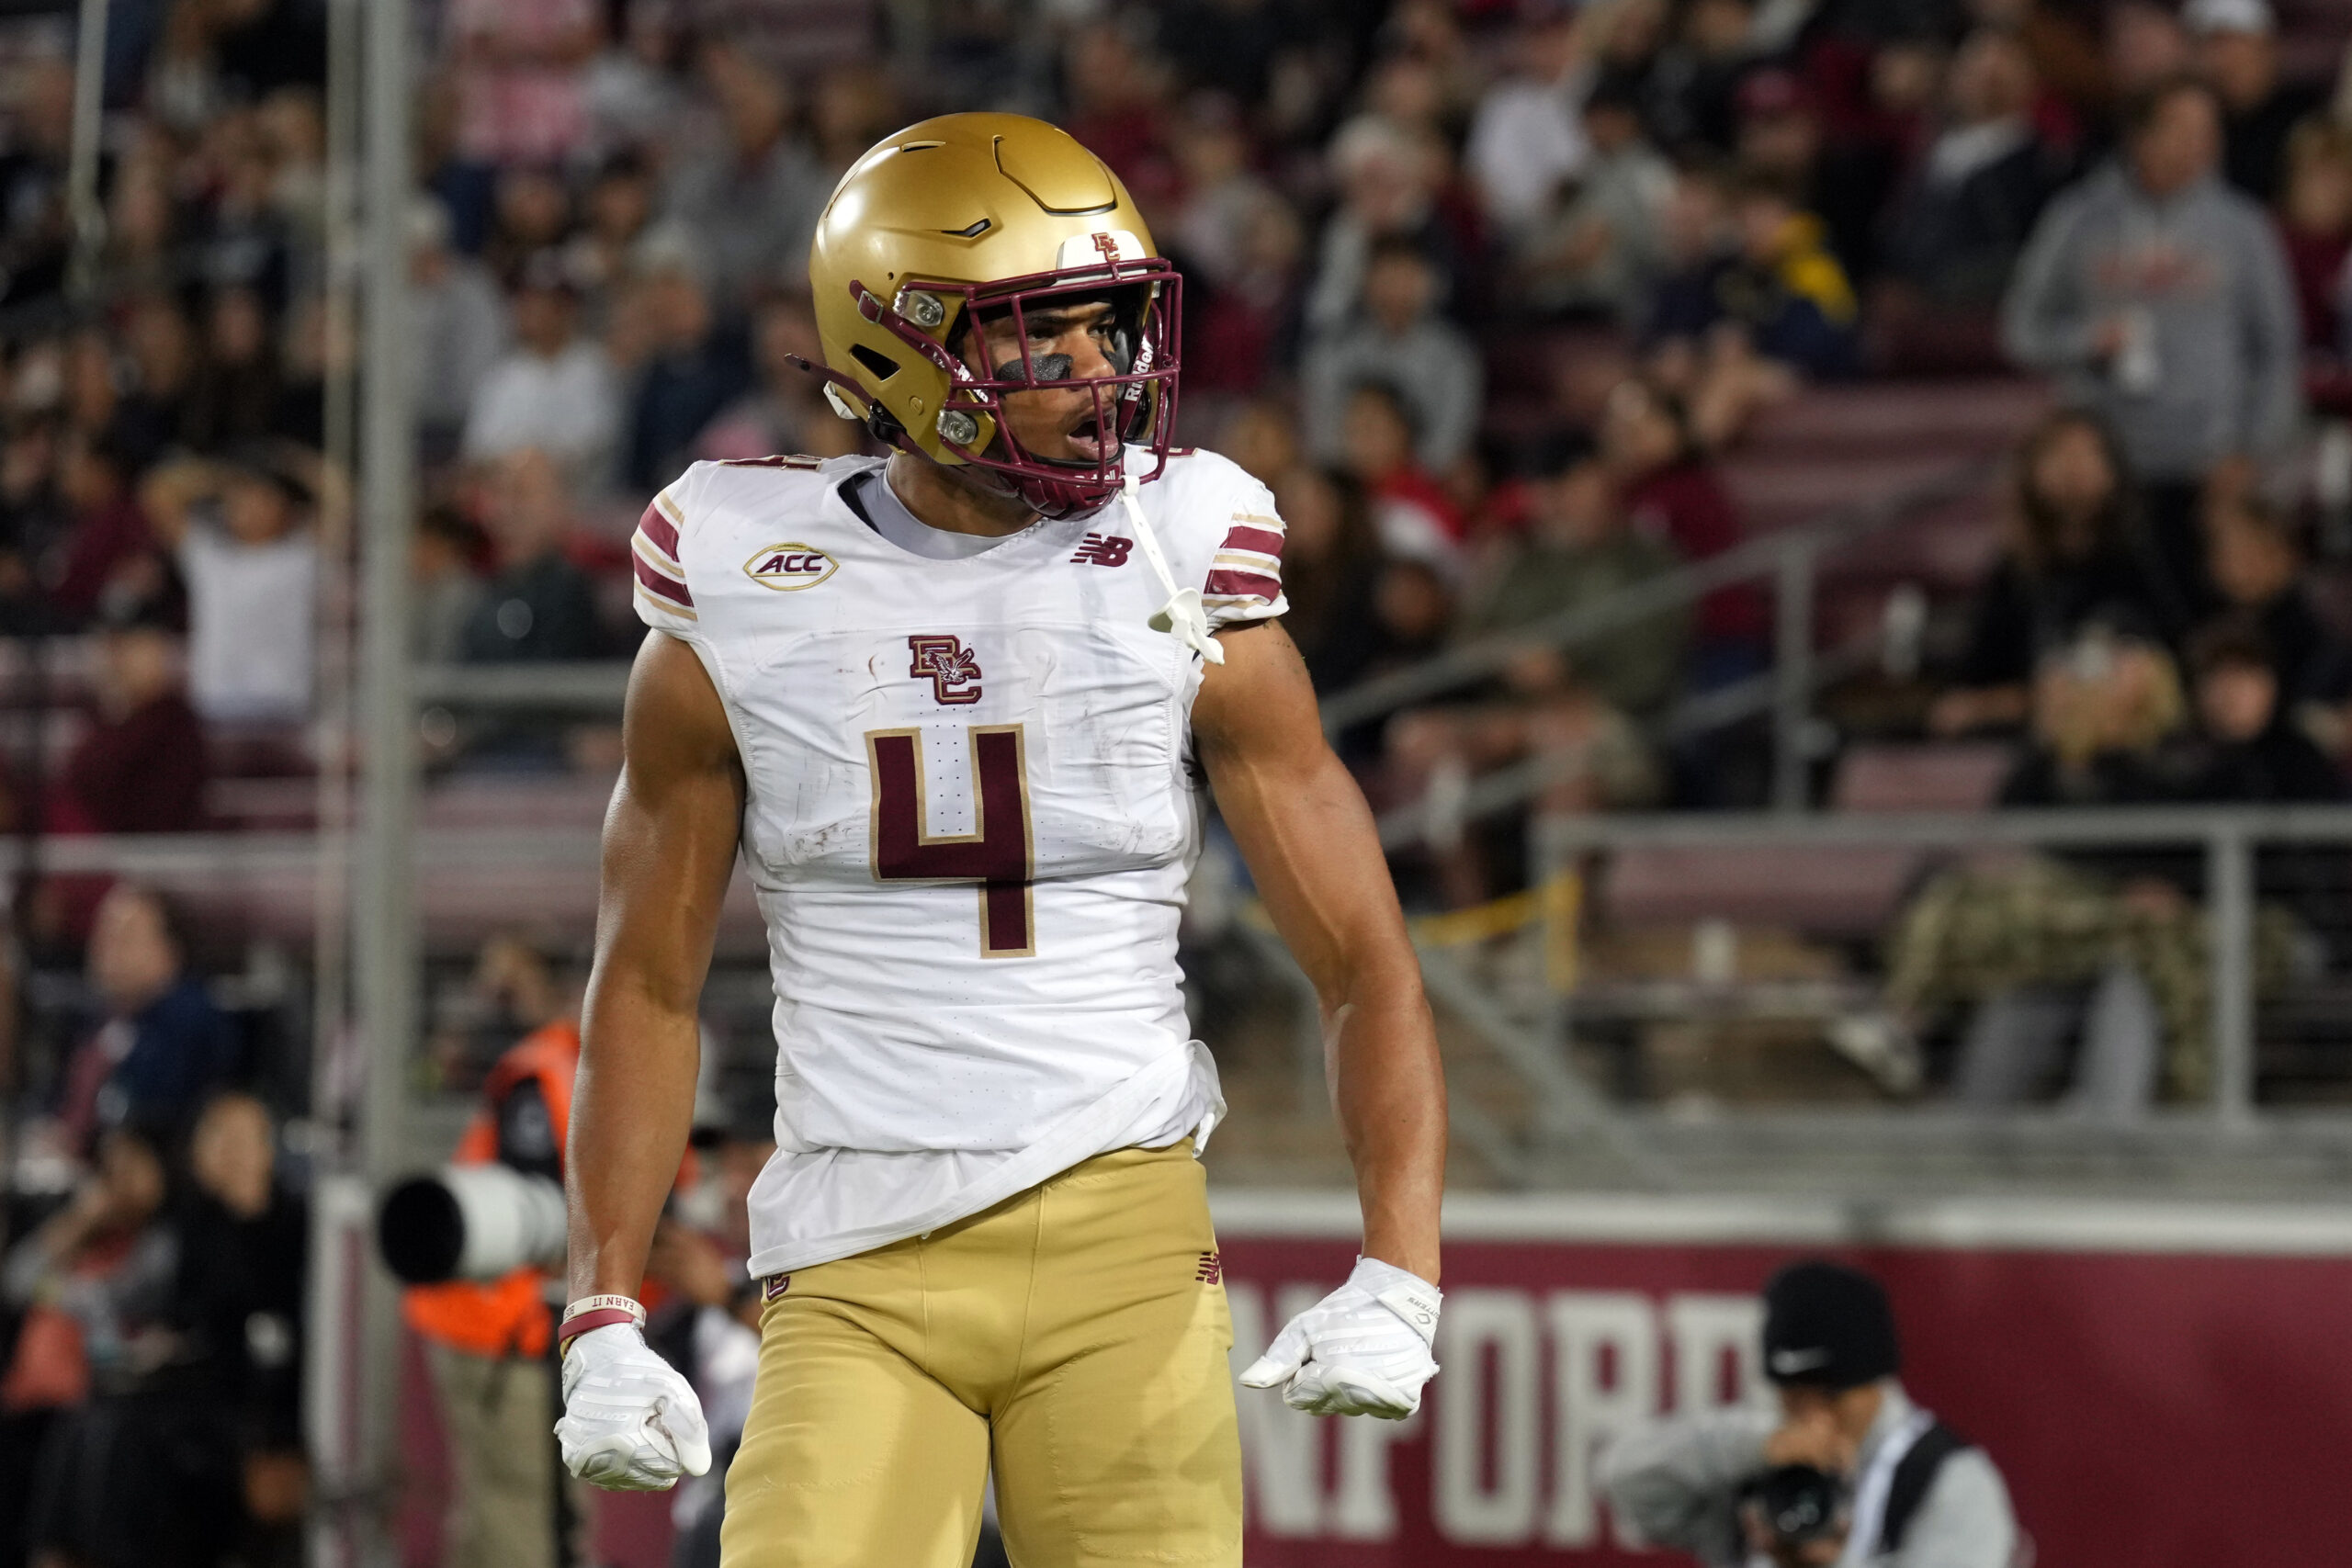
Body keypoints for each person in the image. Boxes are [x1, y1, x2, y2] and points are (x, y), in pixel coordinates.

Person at [556, 113, 1447, 1568]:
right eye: (1047, 339)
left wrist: (1402, 1267)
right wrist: (600, 1297)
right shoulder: (743, 576)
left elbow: (1363, 955)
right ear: (901, 355)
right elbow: (645, 981)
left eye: (1111, 325)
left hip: (1126, 1240)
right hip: (852, 1253)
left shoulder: (1180, 545)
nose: (1107, 372)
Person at [2001, 73, 2301, 590]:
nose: (2202, 145)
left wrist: (2254, 449)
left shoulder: (2242, 227)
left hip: (2208, 467)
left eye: (2209, 130)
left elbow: (2277, 349)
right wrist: (2086, 340)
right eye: (2183, 129)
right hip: (2103, 477)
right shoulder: (2078, 218)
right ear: (2141, 135)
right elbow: (2021, 328)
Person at [1601, 1258, 2019, 1568]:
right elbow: (1623, 1478)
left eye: (1831, 1396)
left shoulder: (1945, 1479)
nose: (1814, 1417)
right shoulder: (1758, 1458)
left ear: (1875, 1385)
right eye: (1794, 1397)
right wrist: (1753, 1449)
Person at [404, 934, 587, 1568]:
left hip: (511, 1315)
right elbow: (537, 1206)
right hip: (498, 1317)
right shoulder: (549, 1067)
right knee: (522, 1513)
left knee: (509, 1512)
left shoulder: (586, 1065)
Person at [1930, 409, 2177, 739]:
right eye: (2060, 454)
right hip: (2036, 742)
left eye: (2087, 453)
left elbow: (2172, 658)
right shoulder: (2016, 571)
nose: (2074, 468)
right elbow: (1977, 678)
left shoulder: (2145, 556)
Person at [138, 446, 322, 730]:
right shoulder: (210, 559)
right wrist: (225, 477)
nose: (246, 506)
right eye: (239, 498)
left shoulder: (301, 558)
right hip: (216, 708)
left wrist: (287, 463)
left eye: (260, 497)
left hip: (281, 708)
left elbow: (338, 497)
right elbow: (157, 493)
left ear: (282, 506)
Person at [54, 883, 237, 1154]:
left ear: (169, 952)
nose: (107, 950)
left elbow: (157, 1113)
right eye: (102, 935)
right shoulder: (93, 1018)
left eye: (125, 937)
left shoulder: (192, 1019)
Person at [1301, 238, 1484, 478]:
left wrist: (1405, 479)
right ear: (1366, 281)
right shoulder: (1332, 350)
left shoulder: (1454, 355)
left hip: (1422, 483)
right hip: (1345, 483)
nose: (1397, 287)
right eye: (1387, 275)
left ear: (1429, 283)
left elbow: (1450, 438)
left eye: (1407, 275)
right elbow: (1322, 428)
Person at [462, 250, 622, 496]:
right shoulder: (502, 376)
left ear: (568, 309)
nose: (534, 311)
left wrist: (535, 469)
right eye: (527, 301)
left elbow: (595, 449)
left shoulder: (594, 368)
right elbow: (479, 452)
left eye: (546, 303)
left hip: (580, 504)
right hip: (506, 500)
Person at [2186, 0, 2323, 203]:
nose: (2227, 61)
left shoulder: (2308, 117)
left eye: (2240, 45)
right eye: (2216, 47)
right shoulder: (2193, 120)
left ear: (2269, 49)